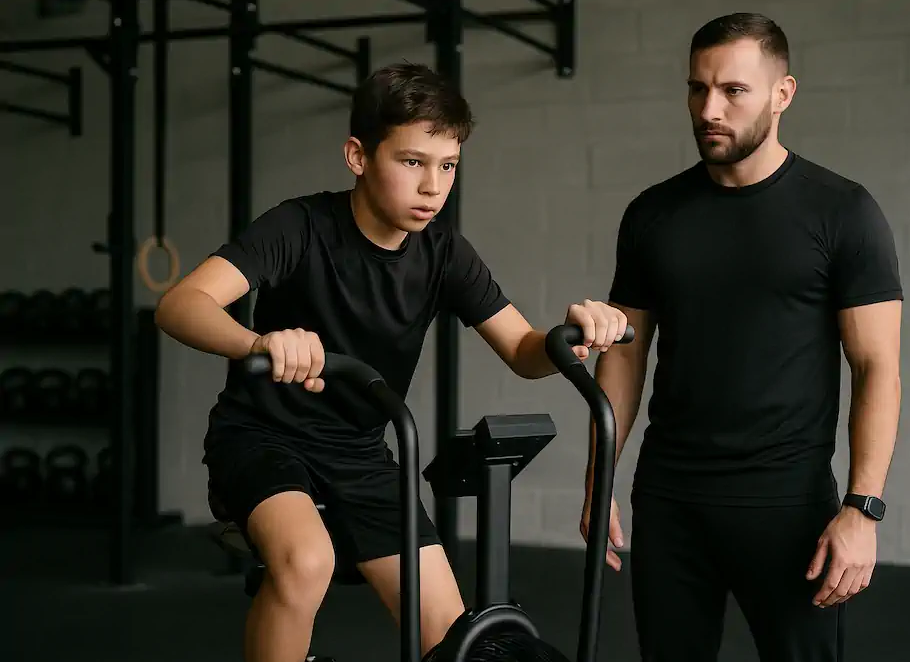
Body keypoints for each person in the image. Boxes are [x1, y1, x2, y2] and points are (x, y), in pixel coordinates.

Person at [155, 62, 628, 662]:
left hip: (359, 452)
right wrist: (258, 343)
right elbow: (180, 305)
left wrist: (572, 335)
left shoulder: (444, 252)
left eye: (448, 166)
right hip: (262, 438)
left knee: (454, 638)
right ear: (358, 156)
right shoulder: (299, 226)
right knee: (307, 561)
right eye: (412, 162)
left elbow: (522, 351)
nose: (433, 187)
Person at [579, 12, 903, 662]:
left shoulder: (843, 211)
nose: (709, 109)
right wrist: (598, 477)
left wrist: (862, 508)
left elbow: (877, 367)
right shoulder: (652, 215)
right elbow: (625, 358)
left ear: (783, 94)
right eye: (697, 88)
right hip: (670, 498)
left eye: (733, 90)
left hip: (788, 503)